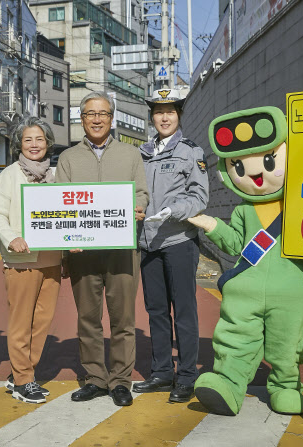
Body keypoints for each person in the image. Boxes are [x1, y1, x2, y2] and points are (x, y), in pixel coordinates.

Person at [188, 106, 303, 416]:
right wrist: (210, 224)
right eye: (237, 166)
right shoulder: (243, 211)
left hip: (291, 291)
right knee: (236, 337)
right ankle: (228, 382)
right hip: (246, 290)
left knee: (285, 343)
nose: (254, 175)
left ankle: (285, 386)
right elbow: (236, 243)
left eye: (269, 161)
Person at [55, 91, 149, 407]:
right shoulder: (68, 158)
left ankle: (121, 380)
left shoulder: (131, 154)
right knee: (88, 318)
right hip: (83, 253)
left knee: (123, 319)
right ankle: (96, 378)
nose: (97, 119)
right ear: (82, 119)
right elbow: (60, 205)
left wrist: (138, 207)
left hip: (122, 250)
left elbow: (141, 194)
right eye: (90, 113)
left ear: (112, 118)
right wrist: (67, 246)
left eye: (103, 113)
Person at [132, 89, 209, 403]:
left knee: (185, 312)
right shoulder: (140, 152)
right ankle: (162, 372)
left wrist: (174, 210)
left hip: (178, 240)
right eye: (159, 112)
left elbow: (200, 197)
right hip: (148, 243)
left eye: (170, 112)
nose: (164, 117)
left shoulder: (191, 151)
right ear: (152, 116)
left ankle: (186, 376)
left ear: (179, 115)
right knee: (156, 312)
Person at [0, 116, 62, 404]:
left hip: (51, 259)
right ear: (19, 143)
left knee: (42, 321)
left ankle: (21, 372)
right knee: (21, 322)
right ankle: (23, 381)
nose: (34, 145)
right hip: (20, 259)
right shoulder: (9, 175)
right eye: (28, 139)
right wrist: (12, 238)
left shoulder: (57, 174)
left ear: (48, 144)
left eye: (40, 139)